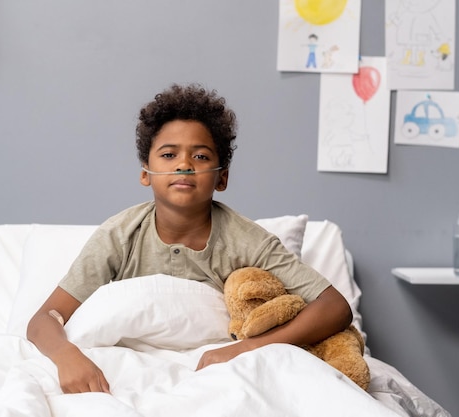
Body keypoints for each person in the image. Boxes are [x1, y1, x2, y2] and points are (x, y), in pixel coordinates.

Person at [26, 83, 353, 394]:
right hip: (127, 369)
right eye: (169, 155)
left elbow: (335, 307)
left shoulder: (246, 240)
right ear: (145, 172)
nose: (184, 165)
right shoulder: (119, 235)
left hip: (214, 370)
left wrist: (246, 348)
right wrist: (66, 356)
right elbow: (44, 319)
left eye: (200, 157)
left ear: (221, 177)